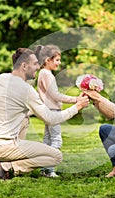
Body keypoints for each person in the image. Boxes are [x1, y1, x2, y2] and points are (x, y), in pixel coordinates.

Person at [0, 47, 89, 180]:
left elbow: (13, 108)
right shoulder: (26, 90)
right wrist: (77, 106)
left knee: (25, 119)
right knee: (55, 156)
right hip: (3, 147)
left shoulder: (0, 79)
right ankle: (9, 166)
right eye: (35, 63)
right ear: (24, 66)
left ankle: (7, 160)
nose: (38, 66)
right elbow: (51, 119)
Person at [36, 45, 77, 177]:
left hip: (48, 109)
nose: (59, 63)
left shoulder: (44, 73)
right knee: (56, 140)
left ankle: (43, 168)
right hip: (52, 111)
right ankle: (49, 169)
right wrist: (75, 99)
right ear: (48, 60)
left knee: (48, 140)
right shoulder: (46, 74)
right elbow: (55, 95)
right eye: (57, 60)